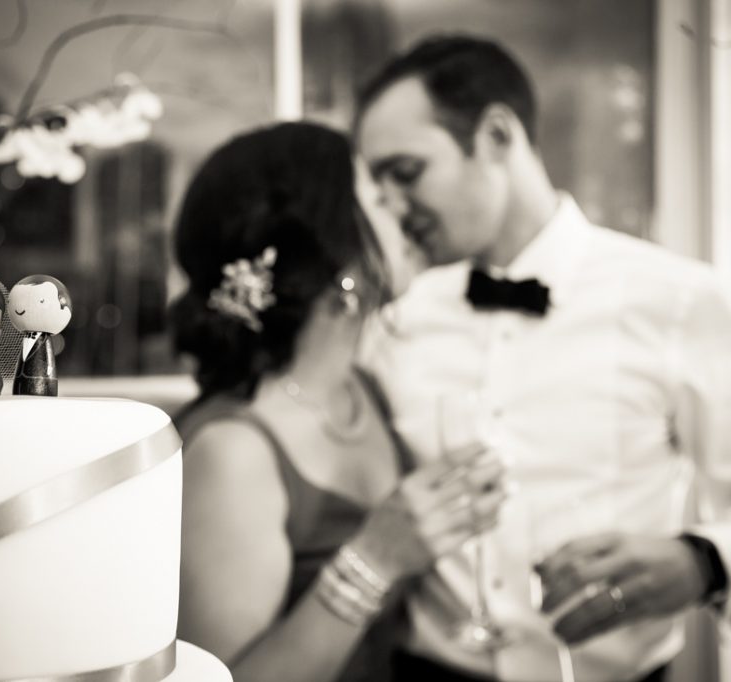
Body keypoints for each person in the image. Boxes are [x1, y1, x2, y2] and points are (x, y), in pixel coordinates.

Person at [353, 35, 731, 682]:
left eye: (406, 173)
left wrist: (698, 564)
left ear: (495, 136)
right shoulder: (397, 322)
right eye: (379, 187)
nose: (394, 206)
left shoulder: (677, 300)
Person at [170, 121, 510, 682]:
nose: (403, 210)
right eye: (378, 197)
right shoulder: (232, 452)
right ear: (326, 244)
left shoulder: (365, 389)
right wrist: (375, 558)